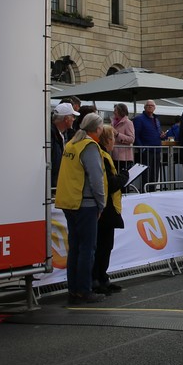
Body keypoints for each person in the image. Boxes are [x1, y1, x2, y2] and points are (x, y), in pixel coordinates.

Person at [55, 111, 107, 303]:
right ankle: (84, 290)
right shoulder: (89, 146)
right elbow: (96, 179)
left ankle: (74, 289)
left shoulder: (72, 144)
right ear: (98, 128)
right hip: (85, 203)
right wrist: (101, 204)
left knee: (75, 248)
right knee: (87, 248)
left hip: (69, 201)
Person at [93, 125, 126, 295]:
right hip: (105, 207)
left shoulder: (103, 154)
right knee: (102, 246)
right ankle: (97, 279)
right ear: (108, 139)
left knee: (106, 246)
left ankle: (102, 278)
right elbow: (109, 183)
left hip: (107, 206)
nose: (115, 142)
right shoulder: (102, 156)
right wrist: (123, 177)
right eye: (113, 138)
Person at [132, 99, 163, 187]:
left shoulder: (156, 119)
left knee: (155, 174)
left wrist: (161, 135)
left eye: (152, 105)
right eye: (148, 105)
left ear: (154, 108)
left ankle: (153, 190)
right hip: (146, 151)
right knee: (146, 175)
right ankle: (145, 191)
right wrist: (142, 149)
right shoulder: (139, 119)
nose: (150, 107)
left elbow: (158, 132)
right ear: (144, 107)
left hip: (157, 150)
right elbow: (136, 135)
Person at [50, 102, 76, 194]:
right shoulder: (51, 135)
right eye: (73, 116)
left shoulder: (62, 134)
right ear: (66, 119)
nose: (74, 119)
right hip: (52, 183)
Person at [110, 103, 136, 186]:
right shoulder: (112, 122)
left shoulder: (128, 123)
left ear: (121, 111)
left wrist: (117, 134)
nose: (114, 112)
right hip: (113, 155)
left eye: (116, 110)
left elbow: (131, 139)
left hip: (124, 158)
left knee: (123, 180)